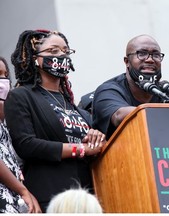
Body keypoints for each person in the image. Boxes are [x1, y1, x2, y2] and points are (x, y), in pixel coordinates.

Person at [4, 29, 106, 212]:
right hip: (50, 197)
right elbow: (26, 144)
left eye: (65, 51)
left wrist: (95, 136)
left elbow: (93, 148)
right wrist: (80, 149)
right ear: (35, 58)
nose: (61, 55)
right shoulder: (21, 96)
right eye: (53, 51)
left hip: (86, 198)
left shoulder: (75, 107)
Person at [92, 34, 169, 140]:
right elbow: (119, 116)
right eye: (142, 54)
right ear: (127, 61)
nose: (150, 59)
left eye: (156, 55)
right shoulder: (108, 91)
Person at [0, 56, 41, 213]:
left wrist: (25, 192)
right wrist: (23, 191)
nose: (3, 80)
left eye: (5, 75)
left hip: (12, 197)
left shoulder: (5, 123)